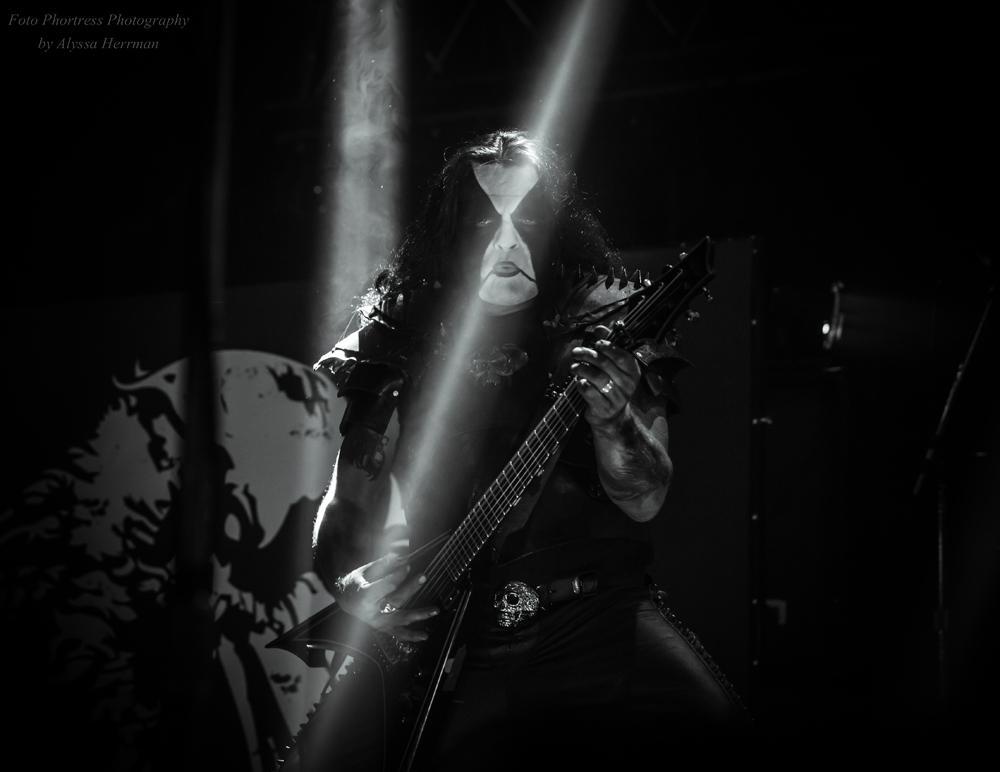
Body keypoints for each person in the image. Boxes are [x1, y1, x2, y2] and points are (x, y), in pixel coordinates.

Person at [308, 129, 748, 769]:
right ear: (452, 231)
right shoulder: (399, 333)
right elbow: (347, 502)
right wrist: (349, 586)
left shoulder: (609, 325)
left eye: (529, 219)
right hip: (445, 630)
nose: (506, 241)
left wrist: (615, 421)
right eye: (486, 222)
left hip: (593, 616)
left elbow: (647, 498)